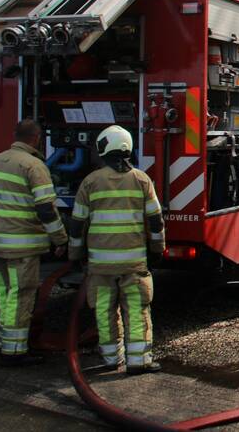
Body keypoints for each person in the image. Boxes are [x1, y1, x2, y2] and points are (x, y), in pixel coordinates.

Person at [68, 125, 165, 374]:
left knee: (103, 310)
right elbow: (156, 220)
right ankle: (138, 361)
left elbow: (78, 224)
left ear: (103, 149)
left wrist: (75, 255)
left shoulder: (90, 182)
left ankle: (111, 359)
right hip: (134, 263)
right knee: (136, 309)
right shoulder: (142, 180)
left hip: (100, 266)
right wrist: (157, 249)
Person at [0, 119, 67, 366]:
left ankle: (5, 343)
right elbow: (46, 209)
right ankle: (14, 352)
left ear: (15, 135)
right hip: (22, 248)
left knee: (5, 296)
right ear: (37, 138)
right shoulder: (34, 166)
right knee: (20, 297)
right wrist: (60, 239)